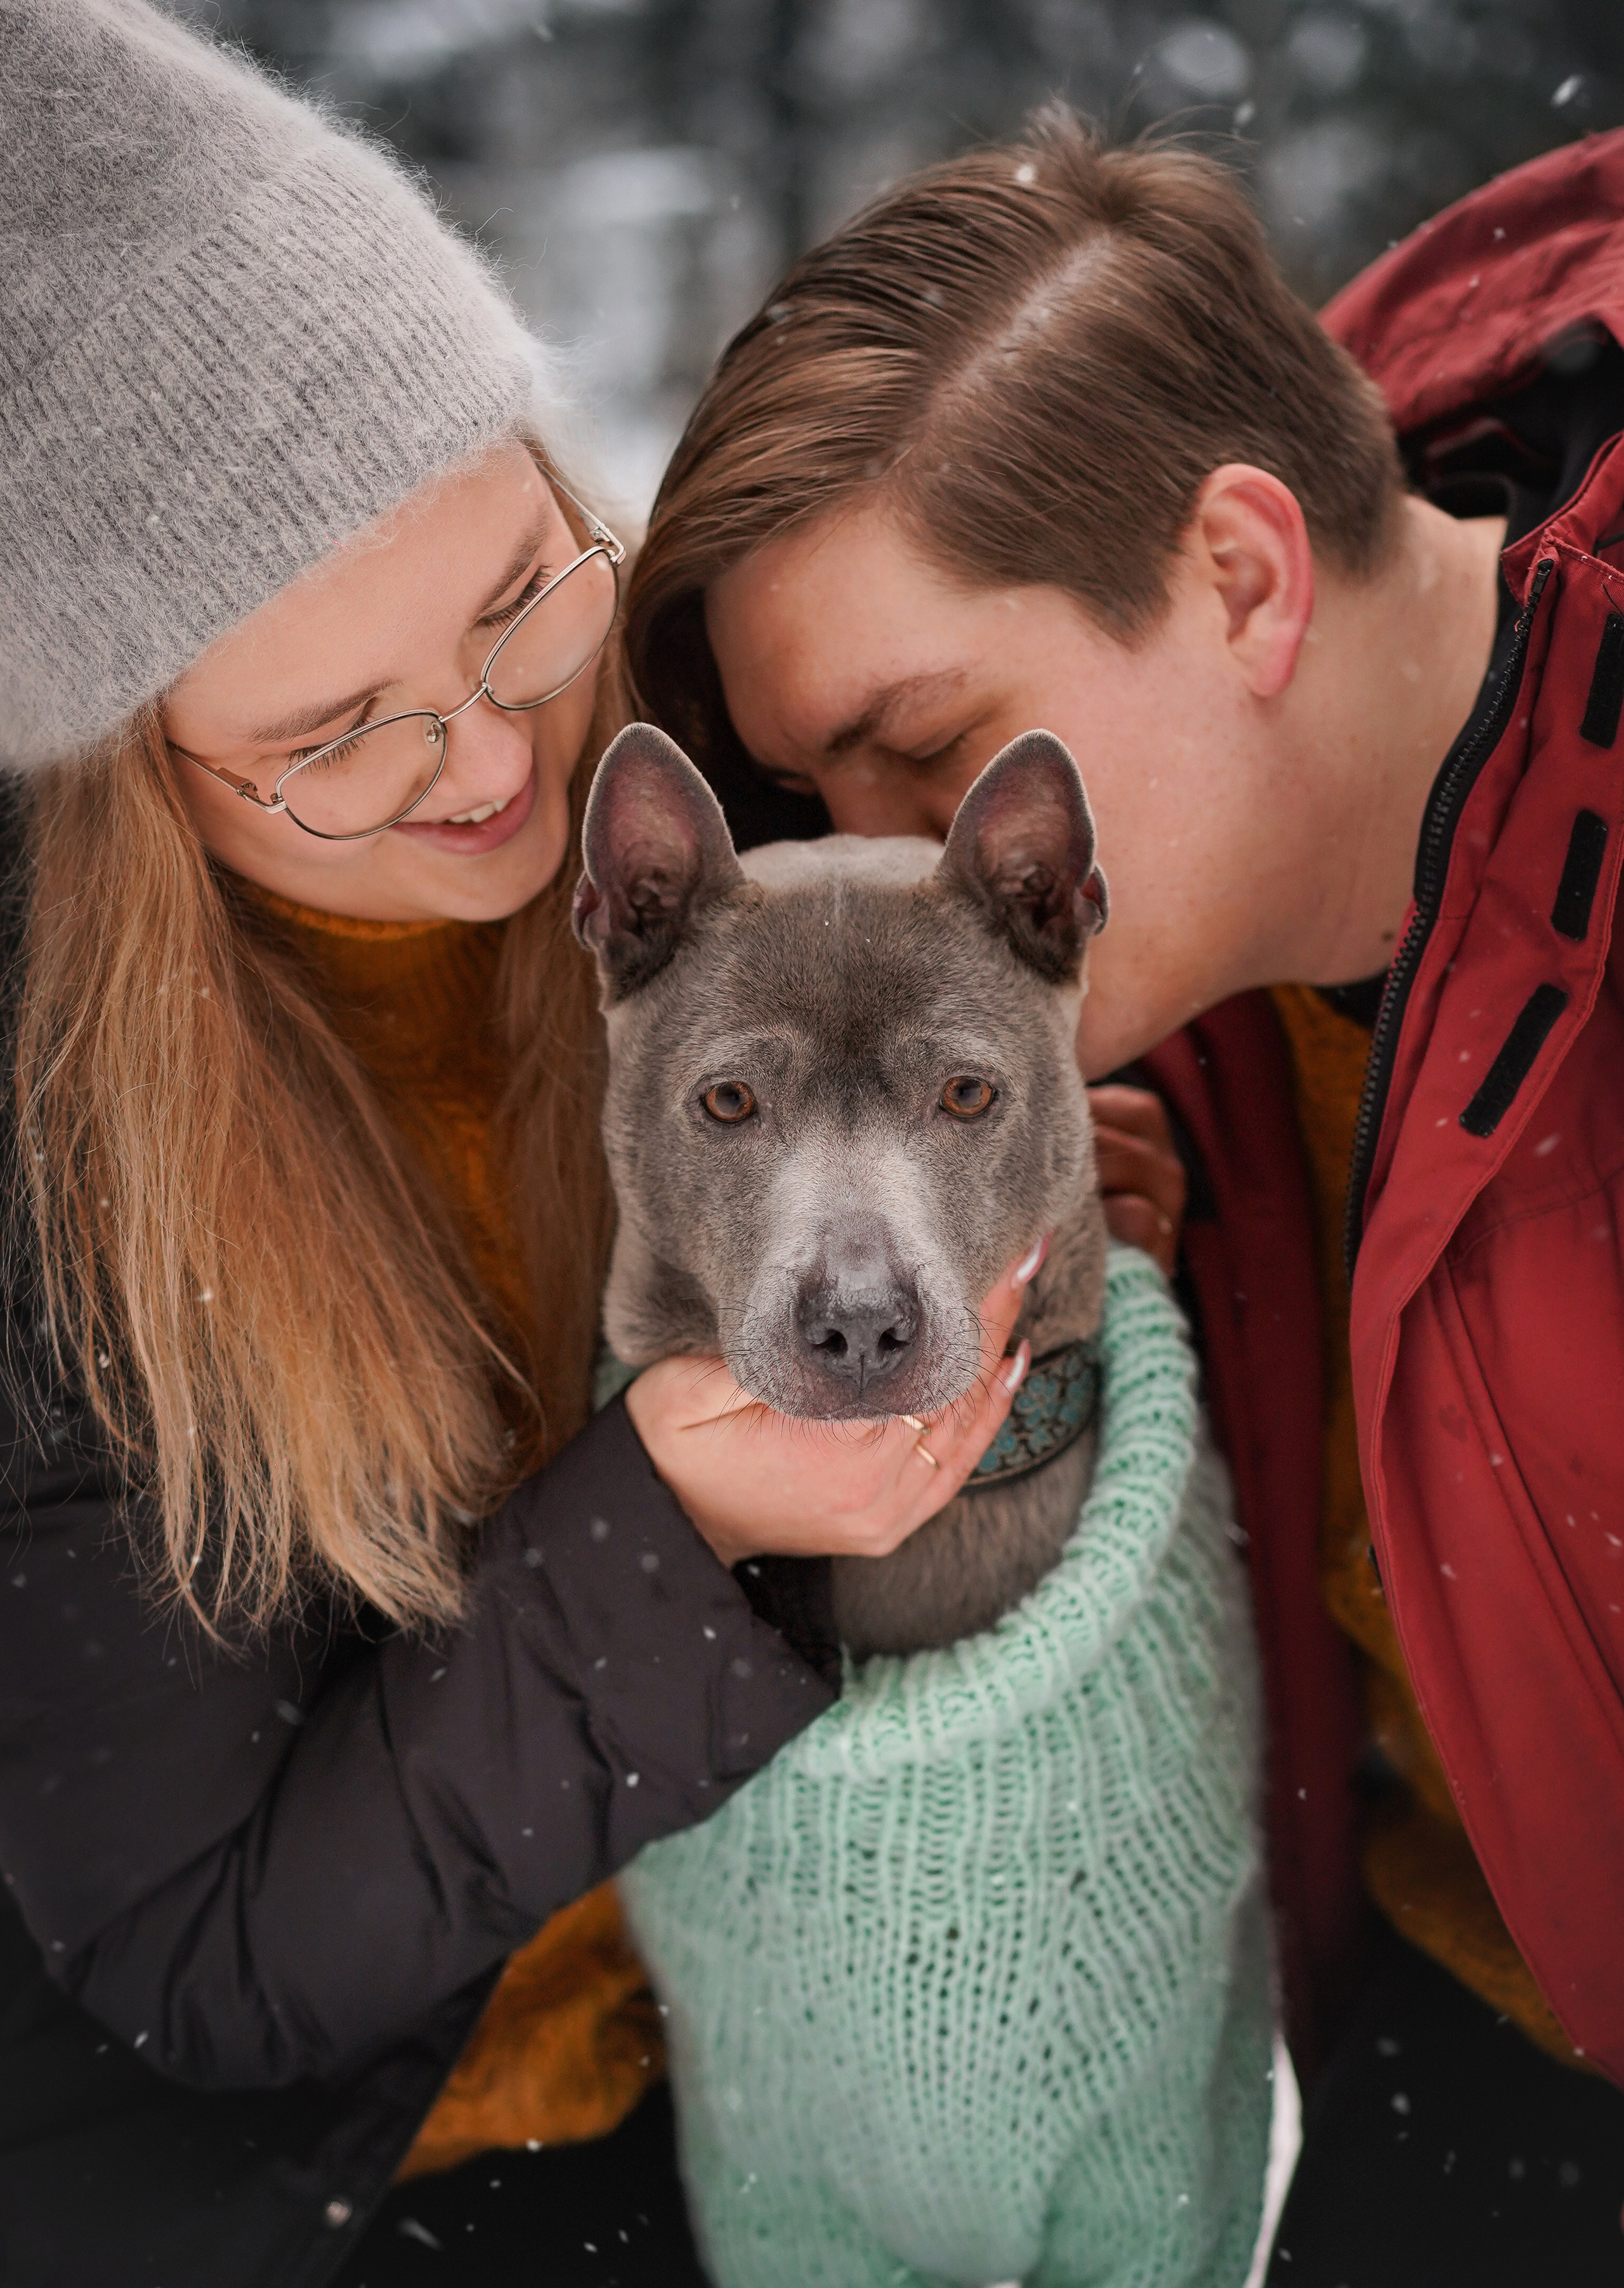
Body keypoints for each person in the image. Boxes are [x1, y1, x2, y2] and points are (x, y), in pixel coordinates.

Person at [0, 9, 1091, 2284]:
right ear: (130, 785)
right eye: (334, 732)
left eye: (511, 593)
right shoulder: (61, 1200)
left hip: (765, 2053)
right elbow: (198, 1951)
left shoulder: (684, 793)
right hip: (366, 2183)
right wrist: (672, 1523)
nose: (492, 753)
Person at [624, 108, 1624, 2282]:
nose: (877, 866)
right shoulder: (1112, 985)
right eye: (818, 796)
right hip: (1448, 2029)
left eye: (925, 745)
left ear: (1247, 577)